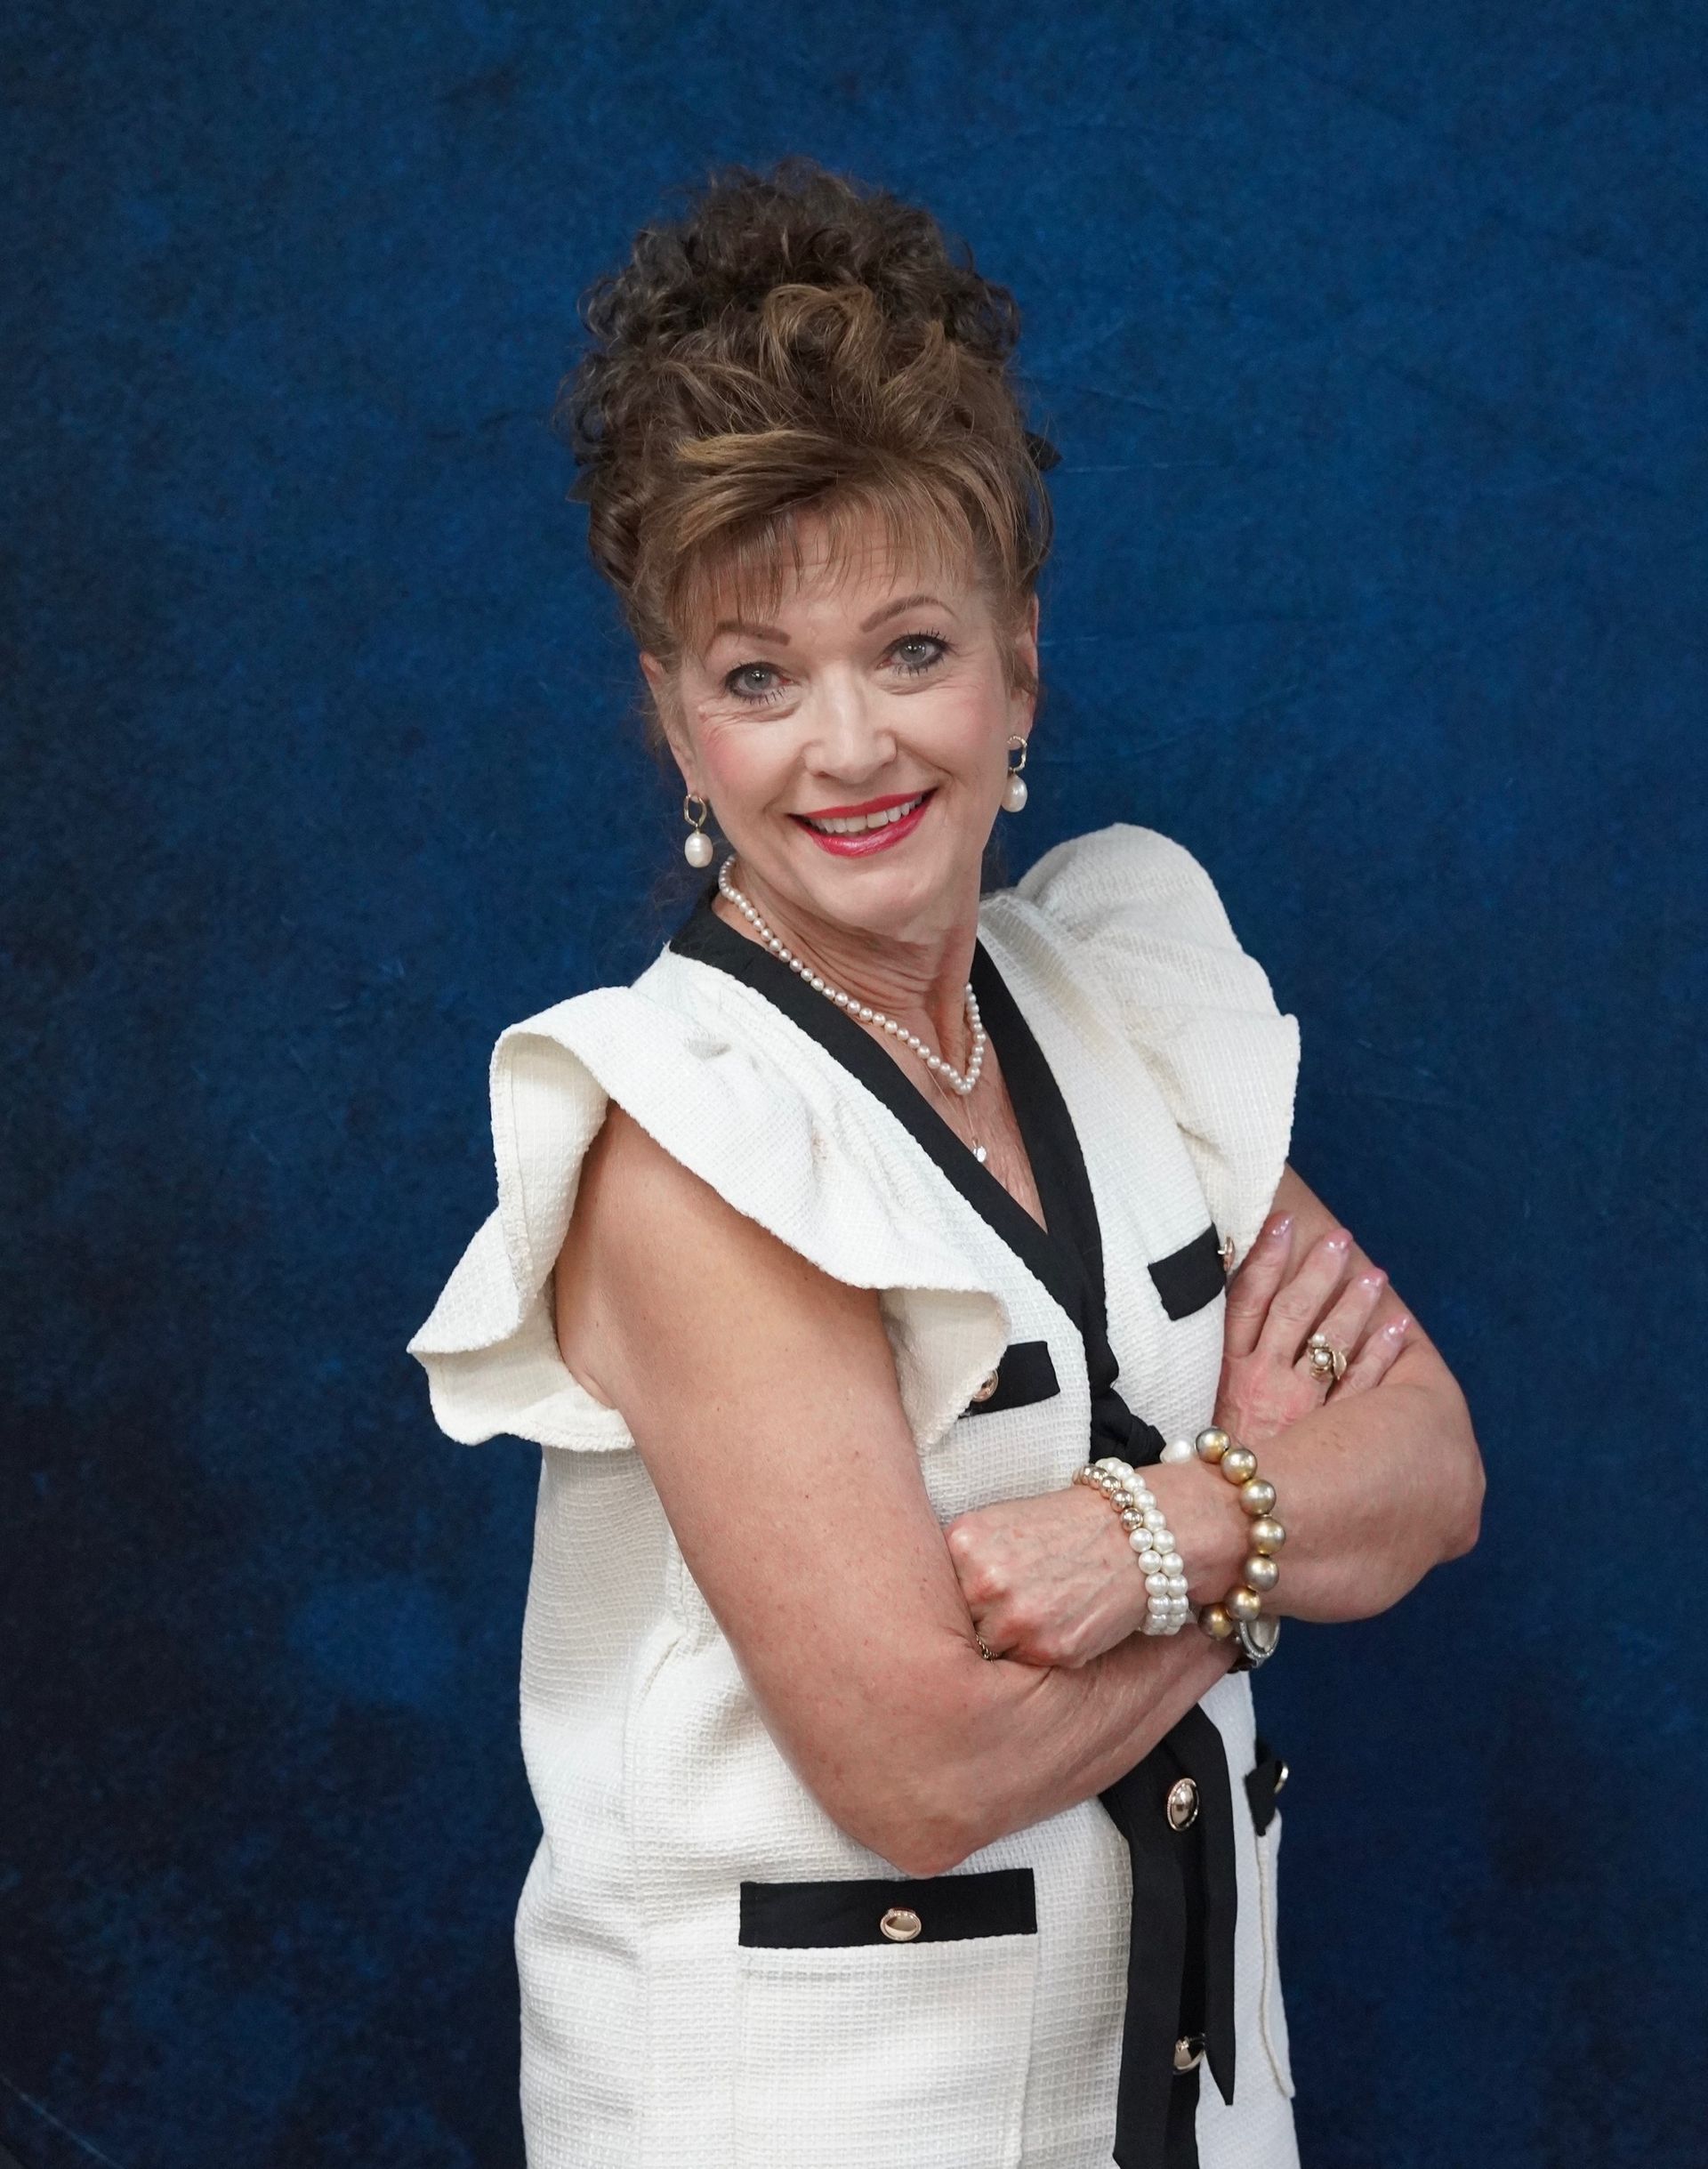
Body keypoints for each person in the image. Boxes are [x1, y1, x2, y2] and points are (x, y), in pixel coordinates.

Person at [407, 155, 1485, 2169]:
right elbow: (918, 1764)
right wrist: (1254, 1529)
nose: (849, 749)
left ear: (1018, 666)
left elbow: (1430, 1466)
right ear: (672, 720)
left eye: (909, 650)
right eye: (758, 677)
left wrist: (1146, 1537)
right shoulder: (673, 1136)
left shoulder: (1124, 994)